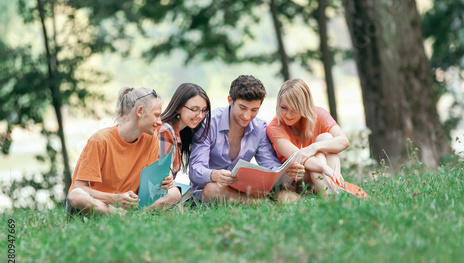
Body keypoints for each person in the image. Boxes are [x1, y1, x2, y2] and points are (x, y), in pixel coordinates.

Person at [189, 75, 305, 204]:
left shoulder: (259, 128)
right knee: (212, 189)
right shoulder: (209, 123)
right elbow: (195, 169)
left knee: (285, 193)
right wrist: (213, 174)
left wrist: (287, 172)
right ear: (230, 100)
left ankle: (257, 202)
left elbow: (270, 164)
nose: (247, 116)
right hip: (213, 188)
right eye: (243, 108)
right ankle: (261, 204)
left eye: (254, 110)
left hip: (242, 189)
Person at [66, 87, 173, 216]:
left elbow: (147, 187)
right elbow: (79, 189)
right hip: (100, 202)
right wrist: (116, 199)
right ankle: (122, 215)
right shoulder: (99, 141)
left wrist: (165, 180)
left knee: (175, 192)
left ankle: (127, 216)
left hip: (128, 205)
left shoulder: (151, 139)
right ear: (140, 111)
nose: (160, 121)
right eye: (156, 115)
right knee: (77, 196)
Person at [266, 78, 350, 196]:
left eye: (294, 109)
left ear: (304, 106)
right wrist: (325, 168)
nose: (288, 115)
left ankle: (331, 190)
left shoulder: (319, 115)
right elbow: (298, 157)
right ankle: (335, 193)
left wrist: (315, 147)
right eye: (283, 108)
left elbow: (344, 141)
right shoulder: (275, 126)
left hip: (321, 175)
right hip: (297, 179)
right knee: (316, 155)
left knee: (325, 138)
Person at [155, 83, 211, 205]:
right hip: (149, 192)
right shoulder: (166, 130)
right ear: (178, 107)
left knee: (189, 195)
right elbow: (160, 177)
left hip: (162, 192)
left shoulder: (182, 134)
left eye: (203, 110)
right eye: (194, 109)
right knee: (177, 195)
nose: (200, 115)